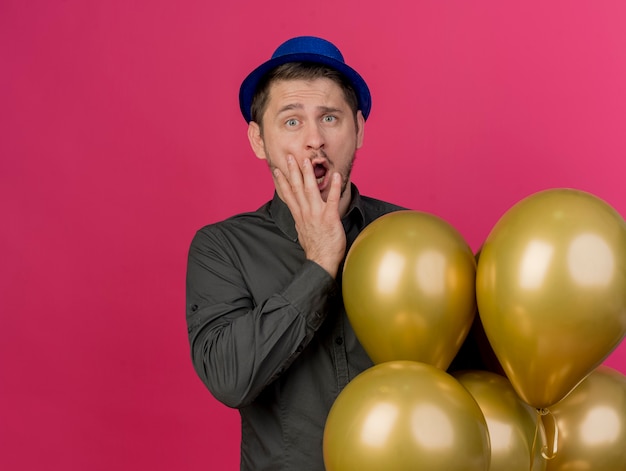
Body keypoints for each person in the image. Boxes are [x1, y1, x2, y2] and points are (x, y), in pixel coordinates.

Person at [185, 36, 485, 470]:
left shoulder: (415, 239)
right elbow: (231, 379)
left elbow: (469, 379)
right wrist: (321, 263)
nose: (314, 141)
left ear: (358, 129)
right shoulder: (222, 248)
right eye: (291, 122)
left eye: (330, 117)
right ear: (257, 139)